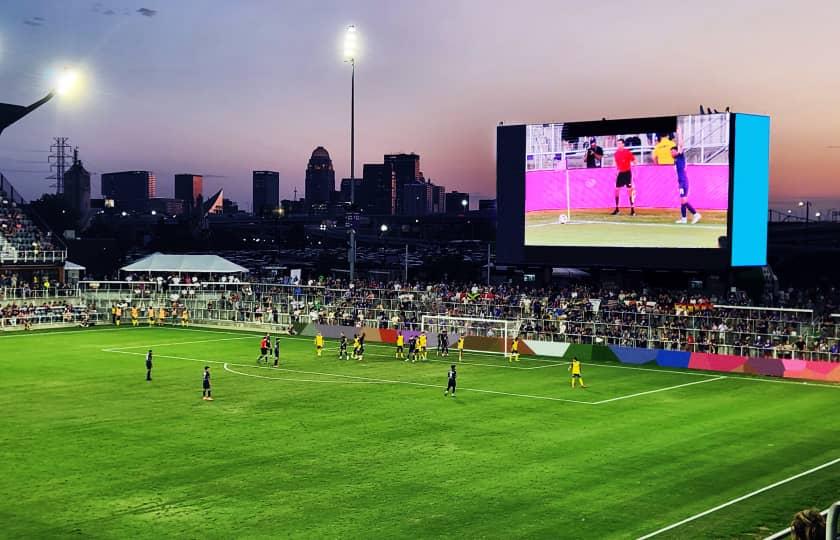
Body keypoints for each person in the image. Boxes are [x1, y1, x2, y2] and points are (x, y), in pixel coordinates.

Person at [671, 130, 701, 224]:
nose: (671, 153)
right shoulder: (675, 160)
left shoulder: (680, 156)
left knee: (684, 200)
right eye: (670, 152)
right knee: (682, 200)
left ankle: (696, 214)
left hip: (683, 181)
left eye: (672, 151)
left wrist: (679, 133)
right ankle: (684, 219)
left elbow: (680, 145)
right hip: (681, 181)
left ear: (677, 151)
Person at [611, 138, 636, 216]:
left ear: (623, 144)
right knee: (616, 190)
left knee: (629, 191)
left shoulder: (627, 152)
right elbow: (616, 164)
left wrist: (633, 171)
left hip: (627, 173)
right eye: (617, 144)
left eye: (620, 143)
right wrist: (616, 171)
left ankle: (632, 210)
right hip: (620, 173)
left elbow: (634, 161)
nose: (618, 145)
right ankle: (617, 208)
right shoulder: (616, 154)